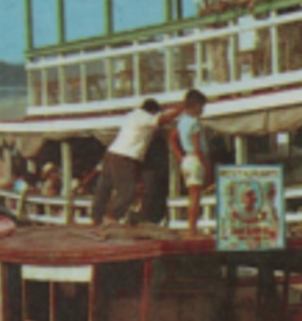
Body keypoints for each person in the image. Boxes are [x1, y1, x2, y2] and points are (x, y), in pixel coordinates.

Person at [90, 98, 185, 227]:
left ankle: (96, 217)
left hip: (112, 153)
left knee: (105, 187)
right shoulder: (144, 117)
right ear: (152, 111)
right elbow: (162, 119)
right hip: (125, 156)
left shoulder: (132, 115)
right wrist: (183, 107)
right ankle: (111, 217)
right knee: (128, 191)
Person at [167, 89, 211, 235]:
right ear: (196, 105)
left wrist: (180, 156)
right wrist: (206, 165)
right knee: (195, 196)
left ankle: (191, 227)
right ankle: (192, 229)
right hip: (195, 159)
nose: (203, 109)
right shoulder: (194, 123)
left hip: (187, 159)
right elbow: (198, 148)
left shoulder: (182, 121)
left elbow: (172, 138)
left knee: (192, 194)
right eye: (202, 106)